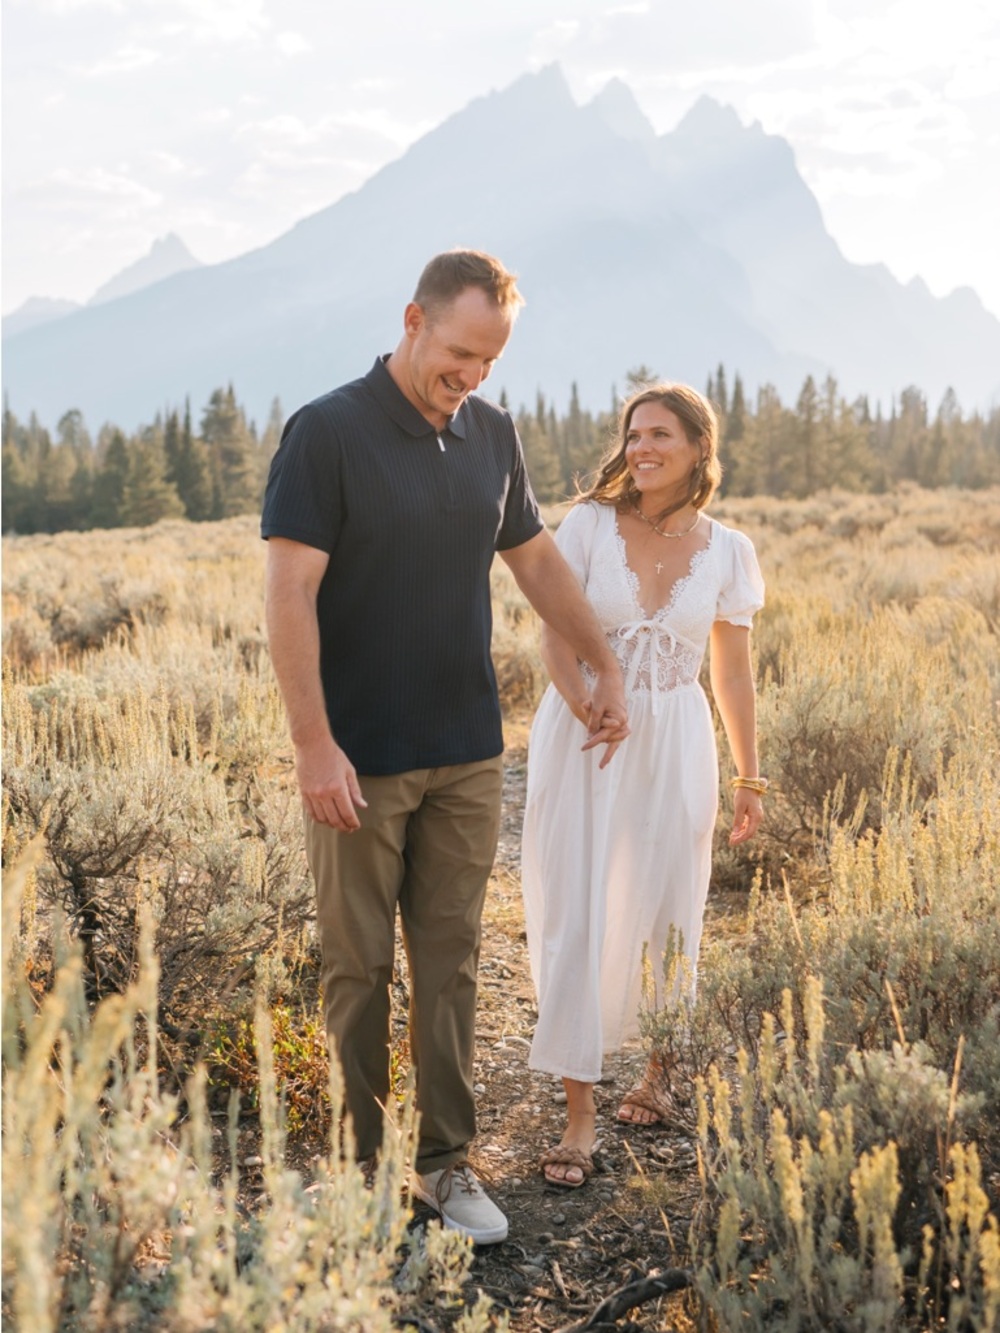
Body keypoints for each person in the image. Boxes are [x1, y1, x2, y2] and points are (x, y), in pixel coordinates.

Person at [261, 249, 628, 1243]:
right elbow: (288, 592)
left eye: (489, 361)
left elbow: (537, 559)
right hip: (359, 757)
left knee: (452, 962)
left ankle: (443, 1166)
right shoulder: (327, 432)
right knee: (357, 969)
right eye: (459, 352)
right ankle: (358, 1171)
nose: (469, 376)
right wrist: (313, 745)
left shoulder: (490, 434)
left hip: (466, 750)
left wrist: (600, 662)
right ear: (412, 320)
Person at [520, 382, 765, 1188]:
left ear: (699, 446)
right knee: (580, 905)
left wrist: (748, 775)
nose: (642, 448)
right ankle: (580, 1115)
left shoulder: (728, 548)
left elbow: (731, 670)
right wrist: (590, 703)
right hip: (589, 731)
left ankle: (659, 1071)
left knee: (672, 903)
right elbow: (554, 637)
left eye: (661, 434)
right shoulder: (589, 524)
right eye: (633, 434)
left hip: (680, 737)